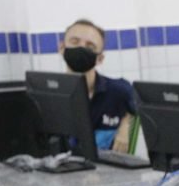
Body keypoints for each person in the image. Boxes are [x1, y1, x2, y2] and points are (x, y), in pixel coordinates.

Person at [58, 19, 137, 153]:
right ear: (61, 48)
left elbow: (145, 107)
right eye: (75, 42)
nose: (81, 48)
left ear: (100, 59)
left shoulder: (118, 92)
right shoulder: (49, 93)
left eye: (90, 46)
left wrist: (125, 125)